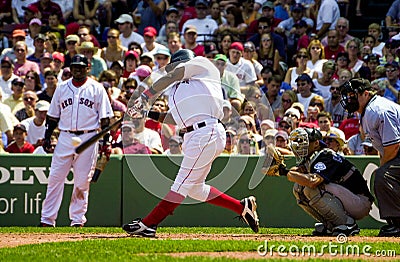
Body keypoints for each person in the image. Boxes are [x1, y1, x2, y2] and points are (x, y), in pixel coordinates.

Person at [122, 49, 259, 237]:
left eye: (175, 65)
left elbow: (175, 74)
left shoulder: (202, 65)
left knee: (181, 184)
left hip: (206, 131)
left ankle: (148, 224)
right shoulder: (175, 90)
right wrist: (146, 113)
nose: (173, 69)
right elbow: (175, 117)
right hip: (194, 134)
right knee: (195, 188)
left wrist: (145, 96)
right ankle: (242, 207)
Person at [40, 54, 114, 227]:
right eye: (74, 66)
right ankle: (47, 220)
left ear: (88, 67)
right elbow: (52, 117)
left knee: (82, 181)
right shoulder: (62, 87)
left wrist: (106, 142)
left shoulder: (96, 88)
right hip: (65, 136)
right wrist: (47, 136)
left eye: (81, 66)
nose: (78, 69)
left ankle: (77, 220)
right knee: (55, 178)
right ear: (70, 68)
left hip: (89, 136)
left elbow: (105, 120)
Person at [285, 127, 373, 236]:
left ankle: (347, 224)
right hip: (348, 198)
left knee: (311, 188)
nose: (299, 146)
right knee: (298, 188)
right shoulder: (311, 157)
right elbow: (296, 171)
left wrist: (286, 173)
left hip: (360, 201)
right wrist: (281, 170)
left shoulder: (326, 155)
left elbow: (313, 181)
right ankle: (331, 225)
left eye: (304, 142)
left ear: (316, 143)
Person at [340, 78, 400, 237]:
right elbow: (385, 147)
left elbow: (393, 146)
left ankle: (398, 224)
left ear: (366, 94)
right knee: (385, 174)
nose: (349, 99)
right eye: (347, 96)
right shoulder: (368, 111)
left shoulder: (378, 110)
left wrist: (383, 168)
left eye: (353, 95)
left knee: (384, 175)